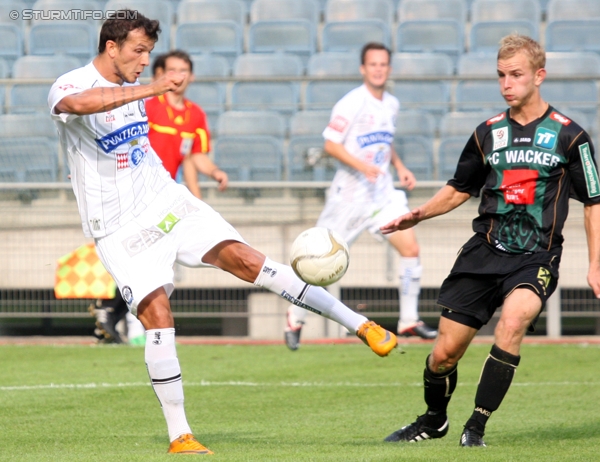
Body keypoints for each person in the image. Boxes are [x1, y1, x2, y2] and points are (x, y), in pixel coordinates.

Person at [48, 11, 397, 455]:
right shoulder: (70, 84)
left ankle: (362, 325)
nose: (144, 61)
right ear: (111, 47)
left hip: (168, 200)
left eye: (149, 54)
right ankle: (181, 436)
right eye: (139, 52)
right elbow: (77, 106)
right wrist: (150, 87)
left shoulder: (136, 90)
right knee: (158, 316)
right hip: (119, 227)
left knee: (253, 261)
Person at [380, 34, 600, 448]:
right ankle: (434, 419)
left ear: (539, 76)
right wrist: (419, 214)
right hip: (483, 253)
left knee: (512, 324)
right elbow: (460, 188)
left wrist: (595, 265)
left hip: (536, 258)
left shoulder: (571, 136)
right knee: (443, 356)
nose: (506, 84)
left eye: (516, 75)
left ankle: (474, 428)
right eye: (500, 75)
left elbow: (595, 202)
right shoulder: (487, 133)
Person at [284, 42, 437, 351]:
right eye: (373, 64)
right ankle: (294, 316)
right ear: (363, 69)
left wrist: (400, 166)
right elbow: (331, 144)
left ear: (389, 69)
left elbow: (385, 142)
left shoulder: (391, 104)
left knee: (410, 247)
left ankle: (408, 319)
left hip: (381, 195)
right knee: (320, 266)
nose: (378, 69)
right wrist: (362, 166)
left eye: (383, 64)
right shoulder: (351, 102)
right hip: (349, 198)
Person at [146, 50, 225, 199]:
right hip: (140, 188)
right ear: (162, 74)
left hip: (167, 191)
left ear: (191, 76)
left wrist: (215, 172)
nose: (178, 75)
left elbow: (194, 156)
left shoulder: (197, 114)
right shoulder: (148, 107)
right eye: (172, 70)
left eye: (183, 71)